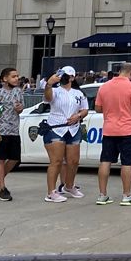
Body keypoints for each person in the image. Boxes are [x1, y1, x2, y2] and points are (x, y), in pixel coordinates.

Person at [95, 63, 131, 206]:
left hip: (109, 129)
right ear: (130, 73)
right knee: (127, 162)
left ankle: (102, 195)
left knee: (105, 160)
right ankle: (127, 195)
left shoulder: (104, 87)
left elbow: (98, 108)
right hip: (127, 129)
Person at [43, 66, 89, 203]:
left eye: (66, 76)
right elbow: (48, 98)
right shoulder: (56, 91)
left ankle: (69, 185)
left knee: (73, 161)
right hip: (56, 128)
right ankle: (51, 192)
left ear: (72, 77)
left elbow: (85, 109)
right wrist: (49, 84)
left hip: (73, 128)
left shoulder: (78, 93)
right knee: (56, 161)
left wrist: (79, 115)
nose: (63, 78)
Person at [0, 67, 24, 202]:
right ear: (5, 78)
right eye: (13, 76)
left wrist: (20, 109)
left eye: (17, 76)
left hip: (14, 130)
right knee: (0, 159)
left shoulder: (19, 92)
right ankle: (2, 187)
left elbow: (20, 108)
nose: (16, 78)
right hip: (2, 130)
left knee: (14, 158)